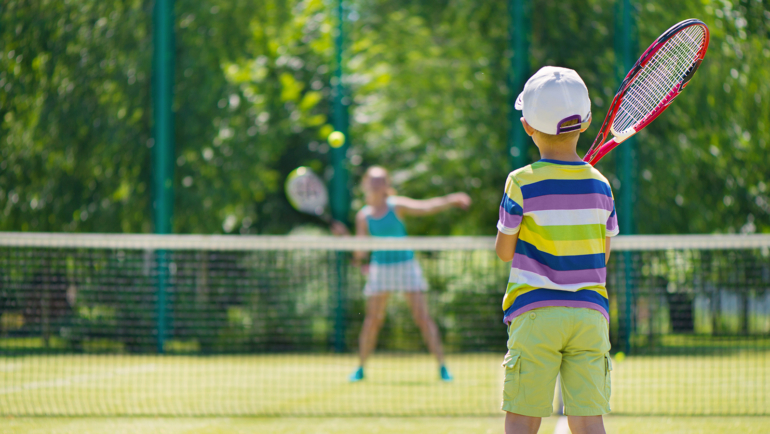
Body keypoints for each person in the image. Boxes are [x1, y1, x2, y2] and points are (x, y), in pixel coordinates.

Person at [495, 66, 618, 434]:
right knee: (587, 421)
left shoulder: (520, 182)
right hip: (589, 317)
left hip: (536, 315)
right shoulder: (601, 185)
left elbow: (504, 251)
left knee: (522, 418)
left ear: (527, 126)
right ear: (588, 122)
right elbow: (603, 254)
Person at [347, 166, 471, 382]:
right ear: (366, 184)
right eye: (373, 181)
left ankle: (442, 367)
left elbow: (427, 207)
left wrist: (451, 199)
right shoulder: (363, 216)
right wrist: (347, 244)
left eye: (380, 181)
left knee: (422, 318)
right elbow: (361, 252)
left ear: (386, 185)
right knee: (372, 321)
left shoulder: (397, 206)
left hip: (406, 266)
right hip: (380, 269)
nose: (376, 185)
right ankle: (360, 368)